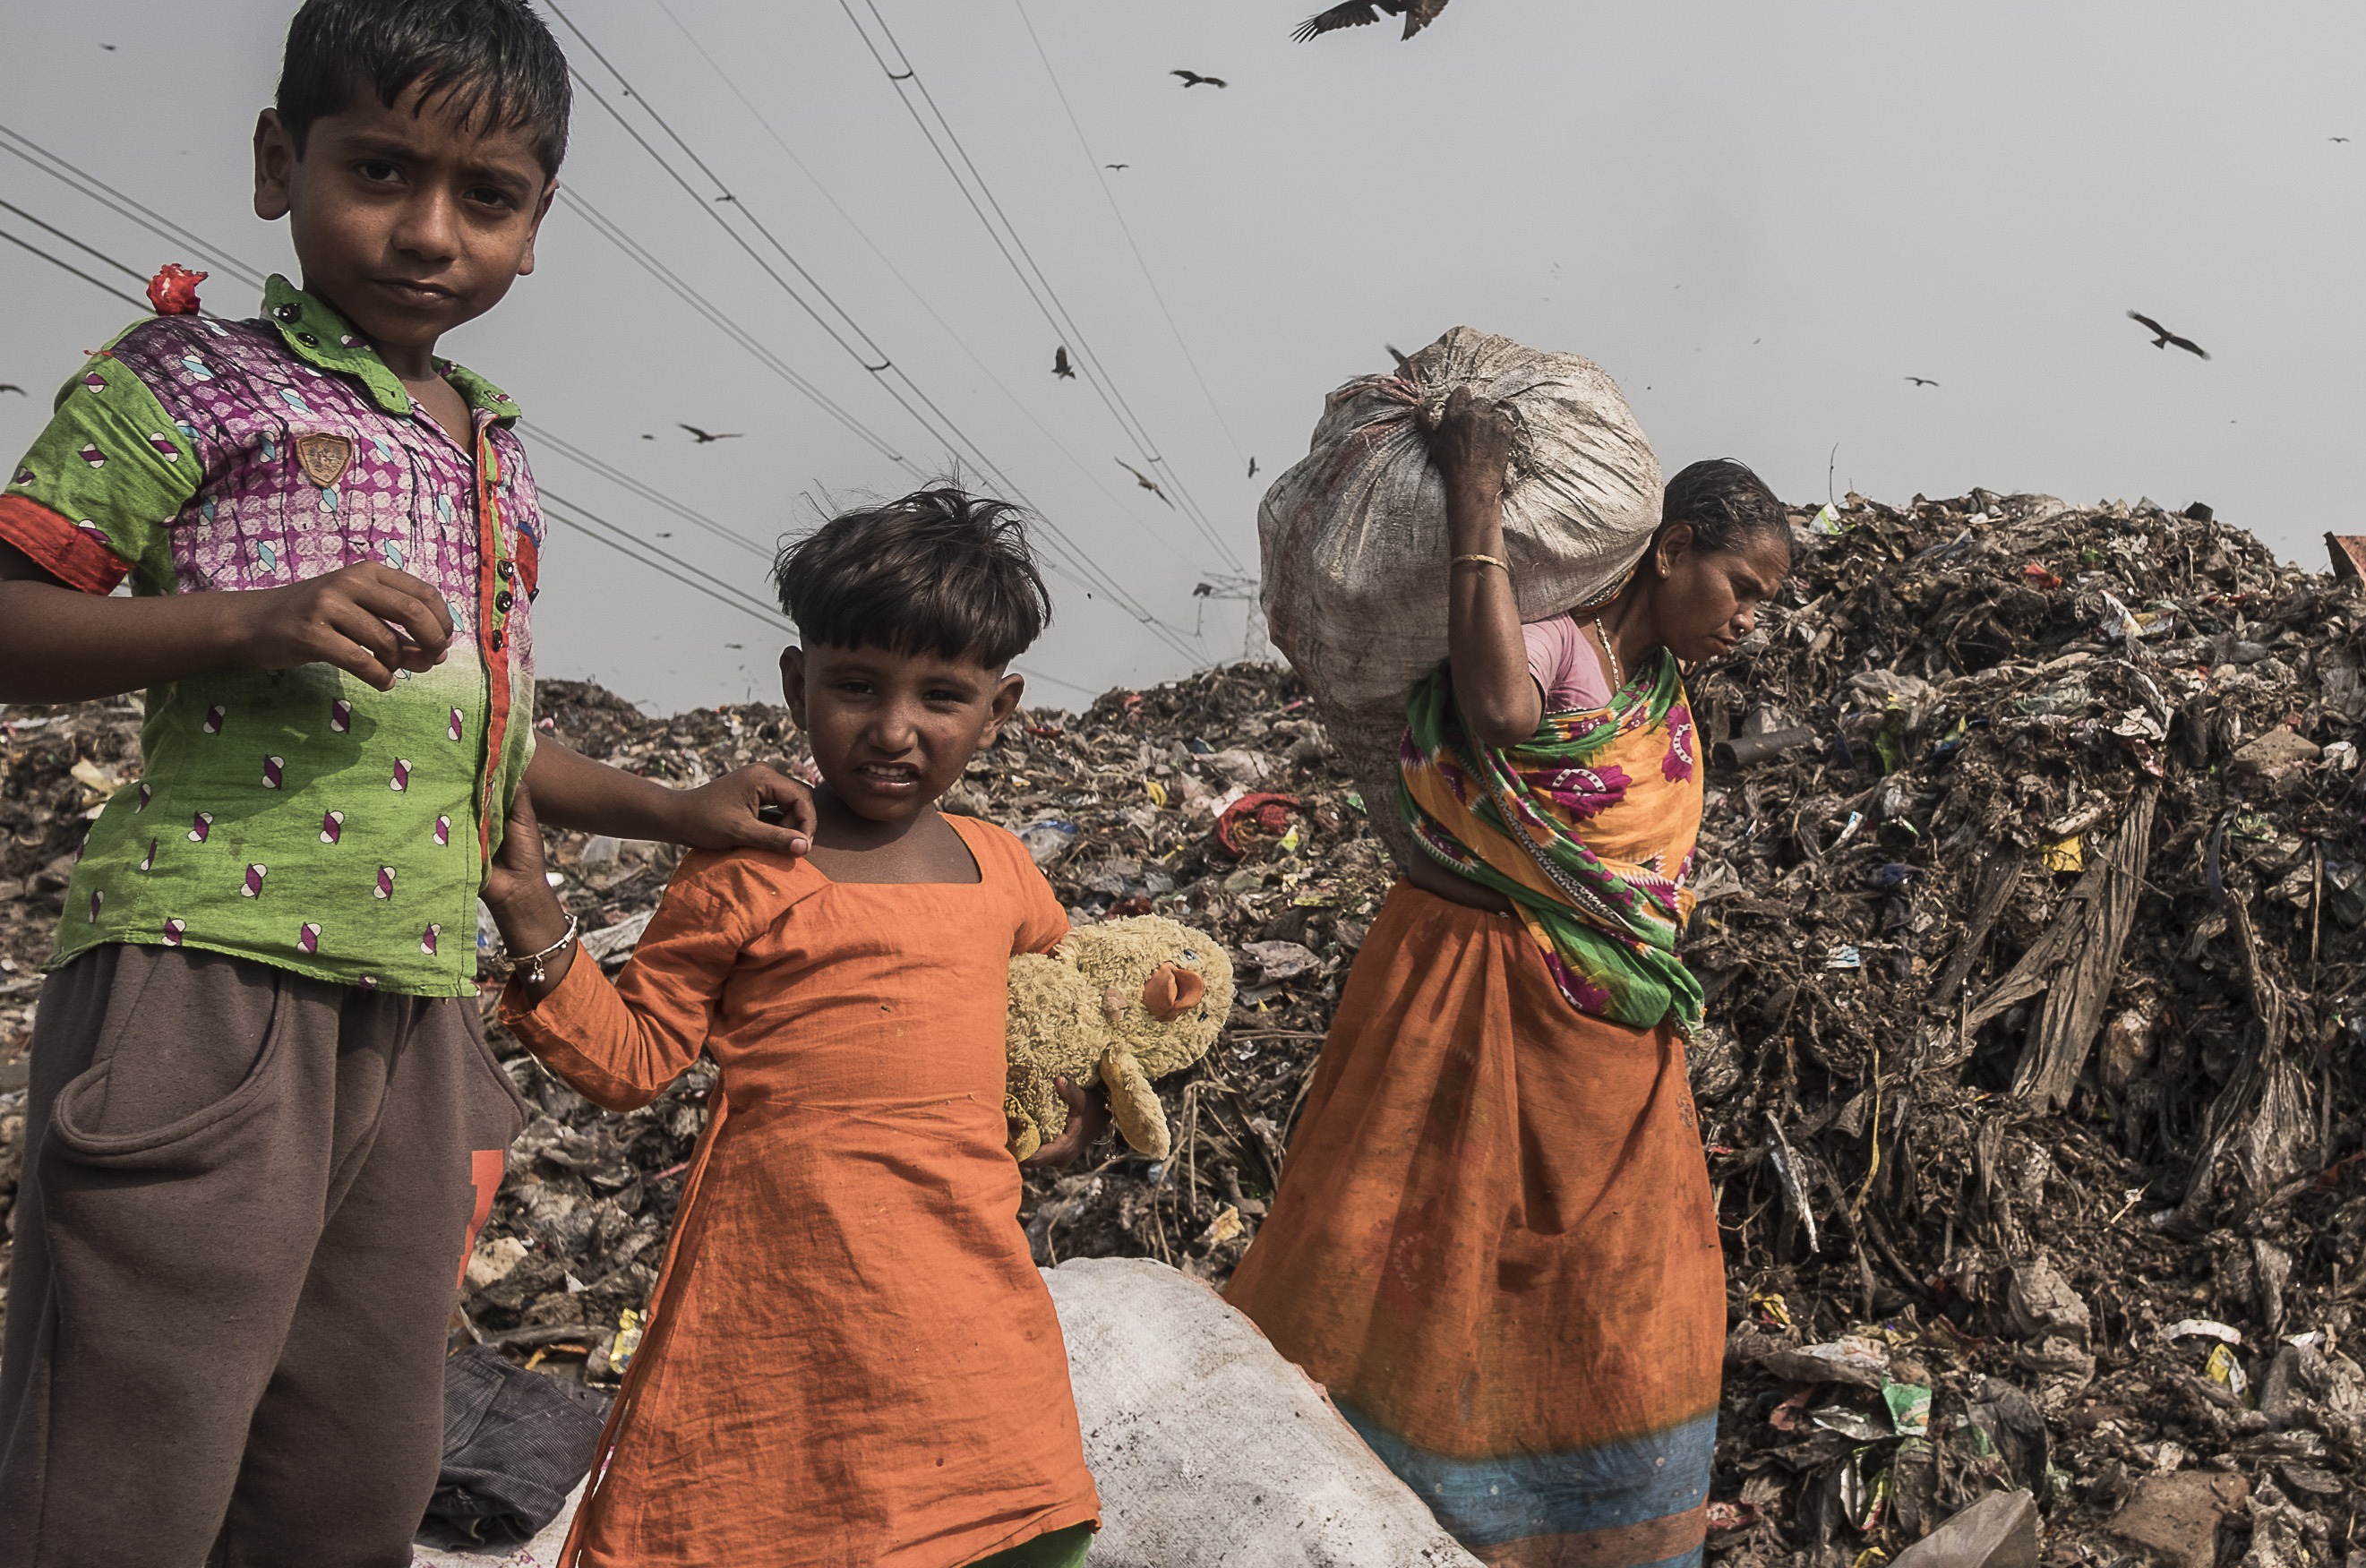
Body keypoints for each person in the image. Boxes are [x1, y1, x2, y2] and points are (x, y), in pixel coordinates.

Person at [0, 0, 814, 1568]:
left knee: (349, 1473)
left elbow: (480, 736)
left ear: (537, 220)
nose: (432, 231)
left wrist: (670, 812)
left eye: (488, 197)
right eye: (380, 170)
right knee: (126, 1463)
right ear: (273, 164)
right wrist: (253, 622)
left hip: (419, 1007)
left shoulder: (489, 444)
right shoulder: (186, 384)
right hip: (206, 984)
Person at [481, 486, 1100, 1568]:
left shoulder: (1003, 866)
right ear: (795, 682)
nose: (894, 728)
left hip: (968, 1283)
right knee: (770, 1516)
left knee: (1012, 1509)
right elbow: (633, 1061)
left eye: (941, 697)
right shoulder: (744, 872)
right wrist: (537, 921)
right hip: (785, 1286)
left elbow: (1061, 1003)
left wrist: (1071, 1099)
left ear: (998, 712)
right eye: (857, 686)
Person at [1228, 394, 1795, 1568]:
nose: (1747, 622)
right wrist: (1476, 494)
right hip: (1469, 1003)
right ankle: (1376, 1520)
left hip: (1608, 1043)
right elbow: (1493, 712)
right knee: (1416, 1273)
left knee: (1633, 1298)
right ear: (1672, 550)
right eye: (1741, 588)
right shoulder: (1561, 648)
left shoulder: (1659, 707)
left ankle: (1592, 1530)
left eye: (1763, 605)